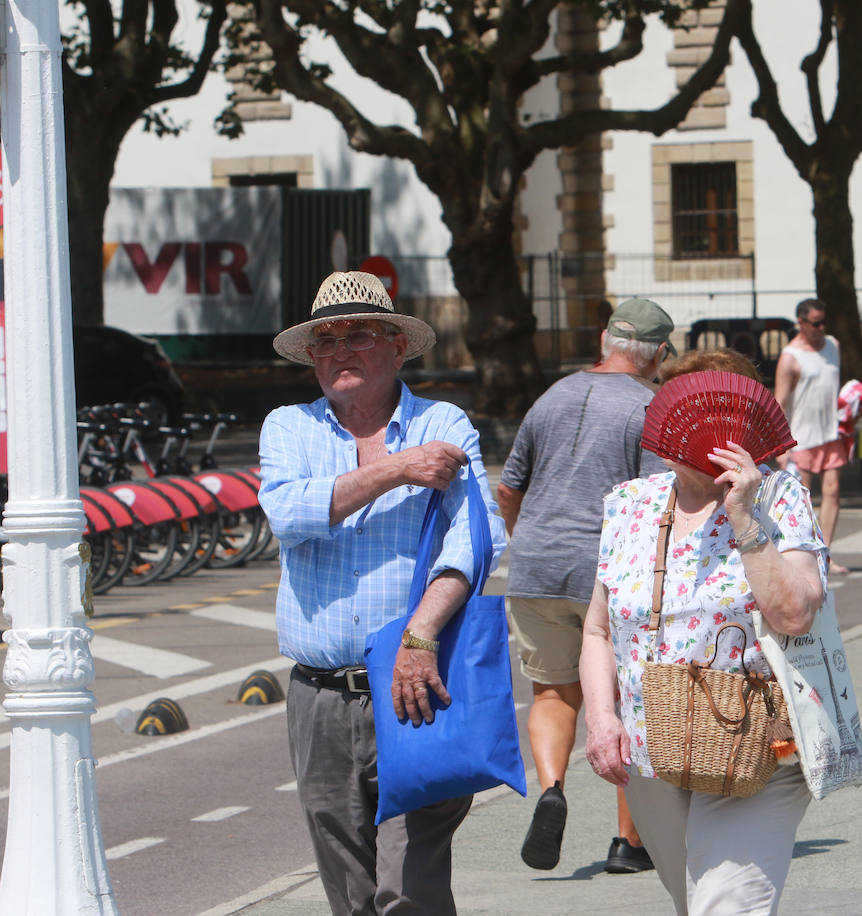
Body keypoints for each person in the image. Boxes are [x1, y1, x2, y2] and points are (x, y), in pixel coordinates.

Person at [258, 271, 506, 916]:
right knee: (350, 890)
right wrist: (398, 467)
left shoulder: (442, 420)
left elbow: (478, 539)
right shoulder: (289, 427)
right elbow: (287, 514)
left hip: (417, 682)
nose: (340, 349)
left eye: (360, 334)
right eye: (325, 339)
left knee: (409, 886)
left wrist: (422, 635)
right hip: (320, 692)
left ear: (397, 345)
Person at [582, 348, 827, 916]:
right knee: (693, 903)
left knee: (726, 907)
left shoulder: (779, 499)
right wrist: (601, 719)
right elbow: (598, 629)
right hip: (652, 748)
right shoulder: (630, 504)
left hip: (760, 746)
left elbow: (795, 615)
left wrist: (744, 516)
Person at [497, 298, 674, 874]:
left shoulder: (552, 395)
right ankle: (629, 841)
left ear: (604, 339)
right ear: (661, 353)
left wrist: (523, 539)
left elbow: (510, 486)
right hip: (604, 571)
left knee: (552, 692)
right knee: (623, 701)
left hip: (534, 565)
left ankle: (552, 788)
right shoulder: (651, 406)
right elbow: (653, 502)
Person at [774, 298, 849, 573]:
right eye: (815, 323)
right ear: (801, 323)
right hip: (801, 437)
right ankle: (808, 555)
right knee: (803, 500)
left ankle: (826, 553)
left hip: (830, 431)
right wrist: (781, 446)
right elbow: (780, 402)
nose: (821, 327)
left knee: (833, 492)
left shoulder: (833, 346)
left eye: (823, 322)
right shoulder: (790, 356)